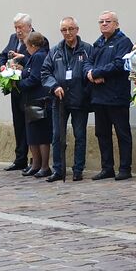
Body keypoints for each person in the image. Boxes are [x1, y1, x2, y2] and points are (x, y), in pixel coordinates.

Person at [84, 11, 134, 181]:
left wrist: (97, 72)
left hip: (116, 96)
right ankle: (107, 168)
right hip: (99, 96)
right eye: (101, 21)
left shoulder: (123, 41)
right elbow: (87, 62)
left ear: (116, 24)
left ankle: (125, 168)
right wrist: (90, 73)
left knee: (122, 133)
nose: (104, 24)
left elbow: (120, 64)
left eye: (108, 21)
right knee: (102, 133)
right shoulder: (98, 43)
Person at [41, 17, 91, 182]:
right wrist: (54, 86)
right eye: (64, 30)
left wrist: (86, 91)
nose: (68, 33)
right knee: (57, 136)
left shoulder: (87, 49)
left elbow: (91, 69)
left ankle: (78, 169)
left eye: (71, 29)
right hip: (59, 100)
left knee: (80, 135)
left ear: (77, 29)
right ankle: (58, 169)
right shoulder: (55, 51)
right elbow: (45, 72)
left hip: (79, 100)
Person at [0, 13, 49, 172]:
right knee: (19, 124)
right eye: (16, 27)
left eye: (20, 27)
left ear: (29, 26)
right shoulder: (13, 38)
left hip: (31, 89)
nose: (18, 31)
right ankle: (20, 158)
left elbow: (40, 62)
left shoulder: (39, 39)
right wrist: (4, 68)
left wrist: (23, 62)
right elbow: (3, 55)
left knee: (34, 126)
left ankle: (37, 162)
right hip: (17, 89)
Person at [18, 32, 53, 178]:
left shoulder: (39, 56)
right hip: (31, 100)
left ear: (32, 45)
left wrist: (18, 84)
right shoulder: (35, 56)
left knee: (41, 134)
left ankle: (44, 166)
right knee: (32, 134)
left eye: (27, 46)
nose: (26, 49)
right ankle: (36, 164)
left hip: (39, 100)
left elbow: (35, 78)